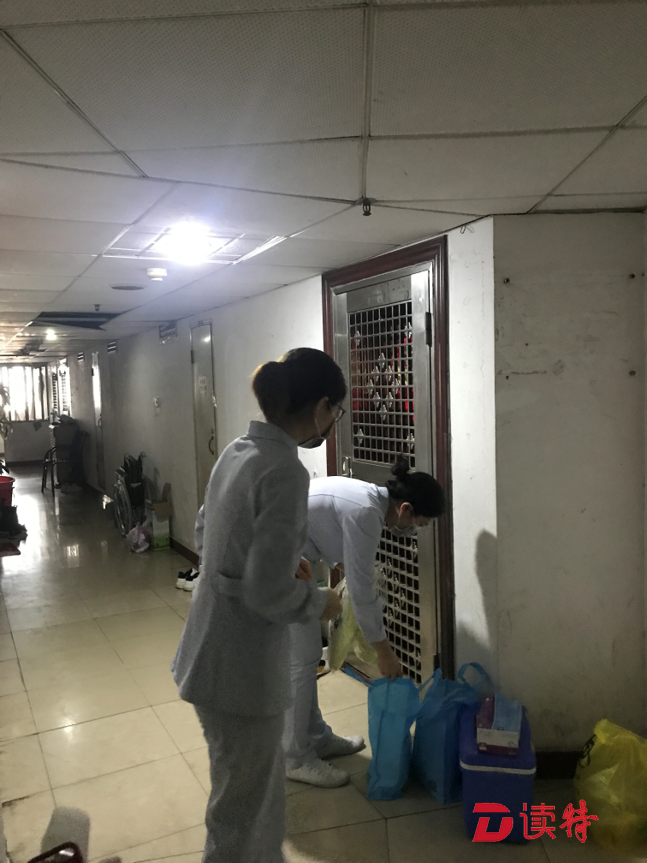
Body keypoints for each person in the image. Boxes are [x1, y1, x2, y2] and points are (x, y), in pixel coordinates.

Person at [172, 347, 347, 863]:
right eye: (336, 411)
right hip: (240, 673)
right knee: (241, 811)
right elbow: (266, 593)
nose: (333, 421)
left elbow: (206, 534)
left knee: (258, 799)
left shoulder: (237, 451)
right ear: (321, 408)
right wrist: (319, 602)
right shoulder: (286, 471)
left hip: (209, 650)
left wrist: (271, 565)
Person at [283, 457, 446, 788]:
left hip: (294, 558)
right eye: (419, 523)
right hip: (277, 561)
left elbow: (342, 553)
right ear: (404, 509)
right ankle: (295, 758)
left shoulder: (369, 500)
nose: (414, 531)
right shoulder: (366, 512)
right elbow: (360, 589)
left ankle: (316, 737)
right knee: (301, 662)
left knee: (307, 656)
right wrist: (383, 652)